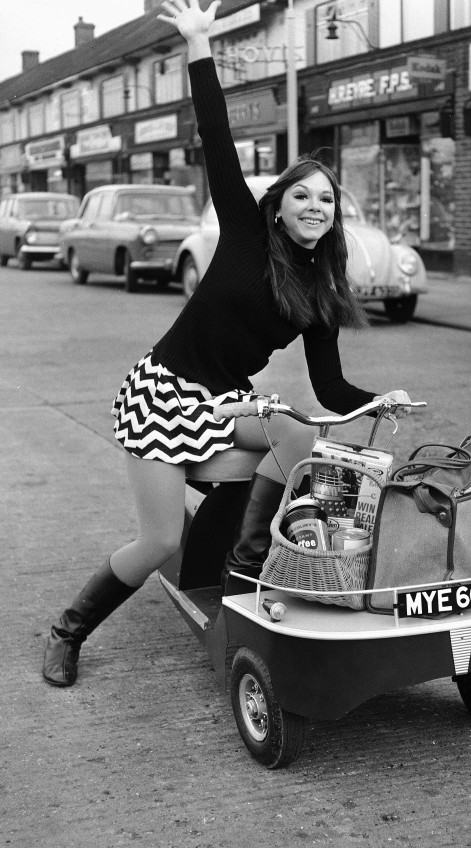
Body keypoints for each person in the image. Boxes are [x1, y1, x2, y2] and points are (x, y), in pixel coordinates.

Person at [42, 0, 413, 688]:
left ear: (335, 218)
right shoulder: (246, 234)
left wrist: (378, 401)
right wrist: (197, 42)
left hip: (225, 403)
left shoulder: (321, 293)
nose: (313, 208)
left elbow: (331, 392)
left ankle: (267, 573)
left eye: (326, 202)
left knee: (306, 442)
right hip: (165, 395)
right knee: (159, 540)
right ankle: (70, 630)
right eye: (301, 197)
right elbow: (215, 133)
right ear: (278, 205)